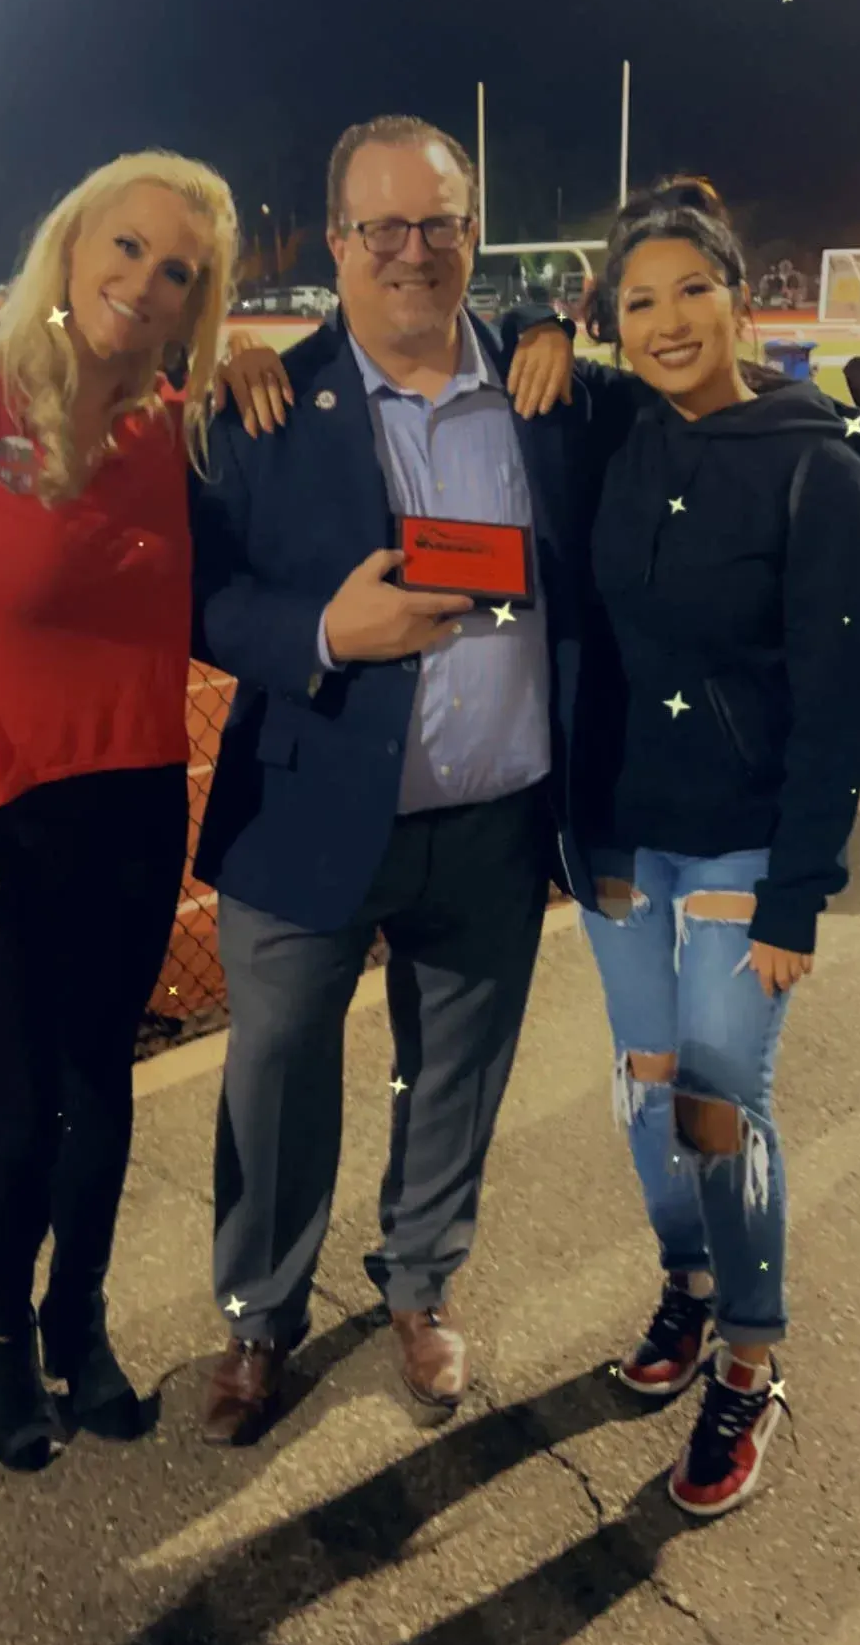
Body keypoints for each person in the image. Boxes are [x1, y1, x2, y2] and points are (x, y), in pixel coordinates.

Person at [0, 150, 241, 1473]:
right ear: (71, 245)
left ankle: (81, 1320)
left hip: (132, 816)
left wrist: (248, 375)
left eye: (177, 271)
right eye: (125, 246)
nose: (144, 280)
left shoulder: (179, 433)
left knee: (100, 1094)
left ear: (195, 302)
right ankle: (5, 1337)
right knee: (13, 1122)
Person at [189, 113, 576, 1445]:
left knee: (453, 1075)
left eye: (440, 223)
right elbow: (202, 597)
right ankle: (258, 1314)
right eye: (384, 227)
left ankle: (419, 1283)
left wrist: (554, 321)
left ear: (474, 232)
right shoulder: (261, 406)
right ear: (337, 240)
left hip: (493, 820)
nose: (414, 251)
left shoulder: (547, 390)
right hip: (309, 808)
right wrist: (319, 633)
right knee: (275, 1077)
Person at [566, 182, 860, 1515]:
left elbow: (834, 705)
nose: (665, 321)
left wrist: (796, 898)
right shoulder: (617, 433)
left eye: (690, 289)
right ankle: (688, 1284)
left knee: (714, 1106)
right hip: (621, 845)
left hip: (742, 856)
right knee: (646, 1099)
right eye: (635, 302)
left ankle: (747, 1360)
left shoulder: (819, 467)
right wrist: (530, 325)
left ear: (739, 298)